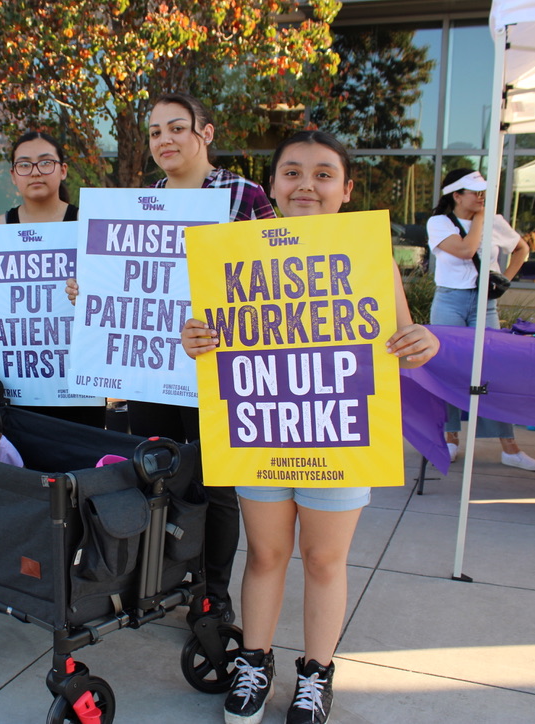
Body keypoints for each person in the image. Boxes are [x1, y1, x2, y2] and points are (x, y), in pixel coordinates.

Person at [180, 130, 439, 724]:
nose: (306, 184)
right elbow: (204, 332)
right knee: (265, 553)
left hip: (338, 429)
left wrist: (424, 339)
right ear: (272, 185)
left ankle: (316, 673)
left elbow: (406, 340)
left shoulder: (368, 254)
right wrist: (193, 339)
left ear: (346, 189)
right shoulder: (233, 252)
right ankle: (255, 660)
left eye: (323, 174)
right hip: (261, 426)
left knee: (324, 559)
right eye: (292, 172)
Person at [69, 92, 276, 626]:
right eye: (156, 131)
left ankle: (213, 595)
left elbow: (273, 271)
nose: (164, 139)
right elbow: (126, 281)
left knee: (217, 483)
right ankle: (161, 578)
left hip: (214, 365)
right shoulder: (145, 201)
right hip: (150, 366)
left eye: (176, 128)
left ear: (204, 134)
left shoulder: (243, 194)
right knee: (158, 471)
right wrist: (90, 289)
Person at [0, 131, 103, 427]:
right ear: (13, 175)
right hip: (17, 387)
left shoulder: (86, 224)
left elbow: (107, 294)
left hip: (79, 386)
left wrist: (88, 294)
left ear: (62, 170)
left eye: (45, 163)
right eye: (25, 164)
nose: (35, 172)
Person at [426, 168, 535, 472]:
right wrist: (481, 218)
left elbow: (521, 249)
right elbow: (466, 251)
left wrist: (503, 280)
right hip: (450, 298)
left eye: (484, 192)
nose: (481, 197)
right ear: (456, 195)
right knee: (447, 368)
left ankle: (509, 447)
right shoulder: (439, 222)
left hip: (485, 302)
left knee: (492, 370)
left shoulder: (493, 221)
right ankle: (450, 438)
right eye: (474, 192)